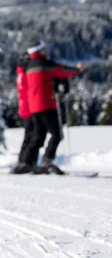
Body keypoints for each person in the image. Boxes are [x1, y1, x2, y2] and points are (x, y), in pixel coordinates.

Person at [18, 41, 81, 174]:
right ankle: (47, 161)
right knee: (57, 134)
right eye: (43, 50)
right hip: (46, 104)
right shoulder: (43, 64)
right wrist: (77, 69)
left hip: (33, 107)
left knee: (38, 135)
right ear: (39, 51)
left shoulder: (29, 66)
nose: (45, 52)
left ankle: (26, 162)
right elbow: (61, 70)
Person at [10, 54, 34, 174]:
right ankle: (25, 161)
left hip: (24, 108)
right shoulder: (25, 75)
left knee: (29, 135)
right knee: (30, 135)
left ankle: (23, 161)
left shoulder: (20, 74)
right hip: (29, 108)